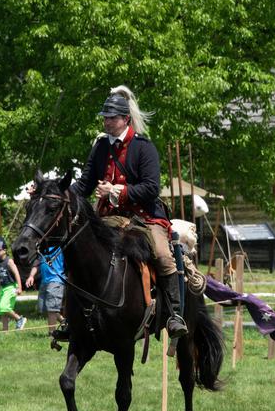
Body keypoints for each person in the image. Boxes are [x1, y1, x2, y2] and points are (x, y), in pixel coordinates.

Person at [67, 85, 188, 339]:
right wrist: (56, 193)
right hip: (109, 217)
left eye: (112, 117)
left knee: (164, 255)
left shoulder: (144, 147)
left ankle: (175, 315)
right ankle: (73, 318)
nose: (107, 122)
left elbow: (151, 187)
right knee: (80, 249)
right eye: (105, 117)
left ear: (126, 119)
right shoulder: (100, 146)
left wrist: (117, 191)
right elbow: (85, 184)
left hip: (144, 217)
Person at [26, 246, 65, 332]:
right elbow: (37, 264)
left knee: (51, 308)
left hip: (56, 280)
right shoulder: (42, 250)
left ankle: (52, 333)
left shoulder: (60, 248)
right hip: (44, 281)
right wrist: (31, 276)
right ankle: (63, 321)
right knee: (44, 308)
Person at [0, 243, 26, 331]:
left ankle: (19, 319)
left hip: (11, 287)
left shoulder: (9, 261)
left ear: (5, 251)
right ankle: (5, 331)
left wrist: (20, 288)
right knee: (2, 311)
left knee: (4, 307)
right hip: (4, 288)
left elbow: (16, 273)